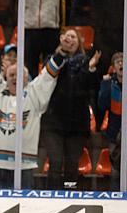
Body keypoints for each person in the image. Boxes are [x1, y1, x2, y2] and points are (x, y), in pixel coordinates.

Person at [0, 24, 66, 189]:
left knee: (23, 212)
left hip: (23, 166)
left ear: (27, 79)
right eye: (11, 75)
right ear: (5, 77)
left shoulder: (34, 95)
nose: (15, 78)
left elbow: (49, 74)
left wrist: (62, 52)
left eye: (20, 75)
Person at [41, 28, 101, 190]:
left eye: (74, 37)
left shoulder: (86, 63)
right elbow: (47, 77)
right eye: (67, 37)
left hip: (77, 124)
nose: (70, 40)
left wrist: (91, 69)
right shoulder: (52, 59)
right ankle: (50, 199)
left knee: (72, 164)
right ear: (61, 40)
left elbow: (92, 88)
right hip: (53, 123)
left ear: (79, 42)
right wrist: (61, 53)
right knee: (55, 162)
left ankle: (70, 196)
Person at [98, 52, 123, 190]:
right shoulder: (109, 83)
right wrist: (105, 84)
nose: (121, 63)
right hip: (114, 133)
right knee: (115, 171)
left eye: (123, 61)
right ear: (113, 67)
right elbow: (102, 105)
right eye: (118, 61)